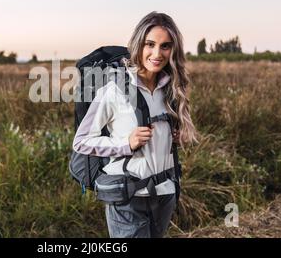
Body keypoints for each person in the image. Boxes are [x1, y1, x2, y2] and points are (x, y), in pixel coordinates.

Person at [72, 12, 199, 238]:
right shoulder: (114, 90)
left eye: (165, 46)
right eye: (150, 44)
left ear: (174, 50)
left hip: (165, 193)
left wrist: (176, 136)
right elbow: (81, 142)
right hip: (127, 198)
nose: (157, 54)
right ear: (139, 44)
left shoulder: (171, 89)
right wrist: (125, 143)